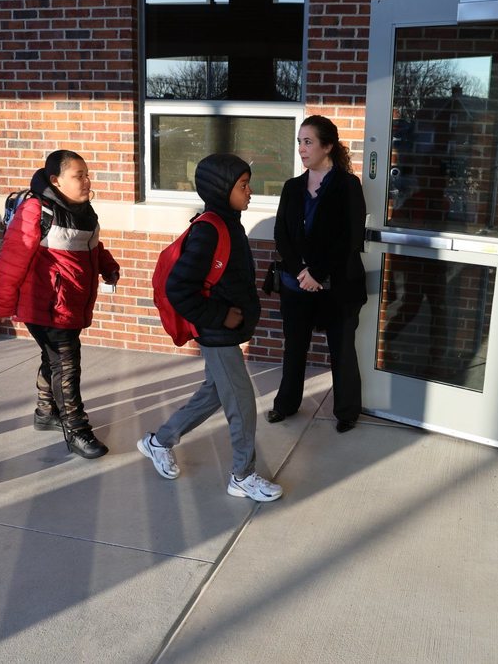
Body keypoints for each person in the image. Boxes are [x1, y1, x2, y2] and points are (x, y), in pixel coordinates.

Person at [138, 153, 283, 502]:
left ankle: (158, 441)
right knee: (243, 403)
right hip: (216, 334)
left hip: (224, 332)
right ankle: (242, 476)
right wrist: (220, 317)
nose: (250, 193)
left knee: (215, 394)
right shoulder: (210, 229)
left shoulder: (229, 222)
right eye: (243, 186)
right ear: (222, 189)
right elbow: (179, 288)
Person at [0, 150, 120, 459]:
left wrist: (107, 265)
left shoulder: (83, 209)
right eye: (79, 176)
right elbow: (11, 260)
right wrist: (2, 306)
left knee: (55, 361)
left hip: (68, 303)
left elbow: (92, 246)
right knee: (67, 365)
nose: (86, 181)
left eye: (87, 175)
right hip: (46, 306)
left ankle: (46, 412)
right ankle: (76, 430)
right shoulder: (36, 210)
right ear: (56, 181)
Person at [267, 115, 367, 433]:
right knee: (294, 348)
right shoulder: (292, 187)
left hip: (338, 285)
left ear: (328, 146)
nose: (301, 148)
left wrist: (318, 273)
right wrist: (300, 272)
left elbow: (351, 238)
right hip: (297, 285)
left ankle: (347, 411)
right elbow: (281, 234)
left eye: (308, 141)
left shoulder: (348, 185)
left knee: (342, 351)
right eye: (299, 141)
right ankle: (286, 404)